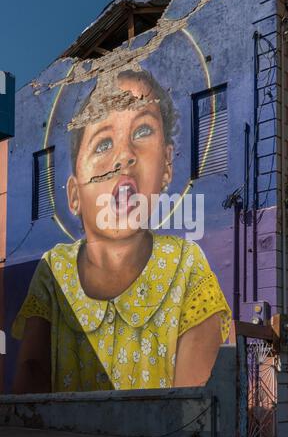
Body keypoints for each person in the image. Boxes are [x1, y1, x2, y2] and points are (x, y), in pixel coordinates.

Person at [12, 69, 232, 393]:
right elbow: (31, 378)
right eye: (102, 144)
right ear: (74, 195)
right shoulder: (53, 272)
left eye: (142, 129)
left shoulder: (186, 268)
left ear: (167, 165)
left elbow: (193, 405)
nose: (124, 157)